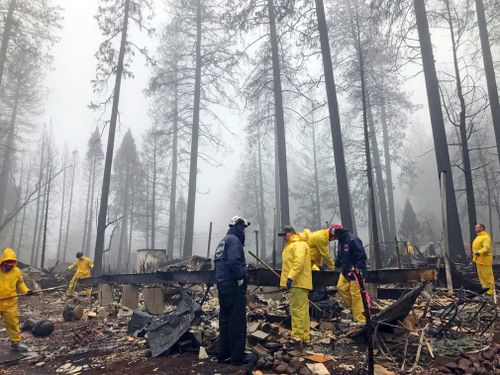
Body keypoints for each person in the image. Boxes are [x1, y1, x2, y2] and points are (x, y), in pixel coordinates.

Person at [214, 216, 253, 366]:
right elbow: (234, 261)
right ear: (237, 227)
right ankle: (237, 358)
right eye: (243, 228)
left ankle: (224, 355)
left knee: (225, 321)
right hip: (233, 287)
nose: (244, 231)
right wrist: (240, 278)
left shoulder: (222, 242)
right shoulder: (234, 241)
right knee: (237, 322)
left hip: (223, 287)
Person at [279, 225, 312, 343]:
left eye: (284, 234)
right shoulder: (295, 245)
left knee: (297, 310)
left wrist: (290, 278)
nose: (283, 237)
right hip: (299, 282)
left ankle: (297, 338)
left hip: (297, 282)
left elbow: (298, 262)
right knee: (302, 310)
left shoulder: (298, 245)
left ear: (291, 232)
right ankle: (304, 337)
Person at [331, 224, 368, 324]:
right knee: (341, 287)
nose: (333, 238)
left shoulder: (352, 239)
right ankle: (354, 309)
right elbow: (340, 256)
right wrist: (335, 265)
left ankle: (360, 319)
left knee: (356, 294)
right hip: (345, 271)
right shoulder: (341, 242)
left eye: (334, 235)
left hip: (356, 272)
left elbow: (361, 255)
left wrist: (357, 267)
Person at [0, 247, 33, 351]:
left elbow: (21, 284)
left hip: (10, 302)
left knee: (13, 324)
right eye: (8, 262)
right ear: (3, 260)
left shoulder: (17, 271)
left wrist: (26, 291)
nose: (10, 265)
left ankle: (15, 343)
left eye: (12, 262)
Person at [472, 224, 494, 296]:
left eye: (477, 227)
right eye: (475, 227)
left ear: (482, 228)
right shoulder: (478, 237)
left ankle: (490, 292)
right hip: (479, 260)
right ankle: (485, 290)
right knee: (481, 277)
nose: (476, 228)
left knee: (487, 276)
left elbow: (486, 247)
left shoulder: (486, 237)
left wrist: (479, 252)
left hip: (485, 260)